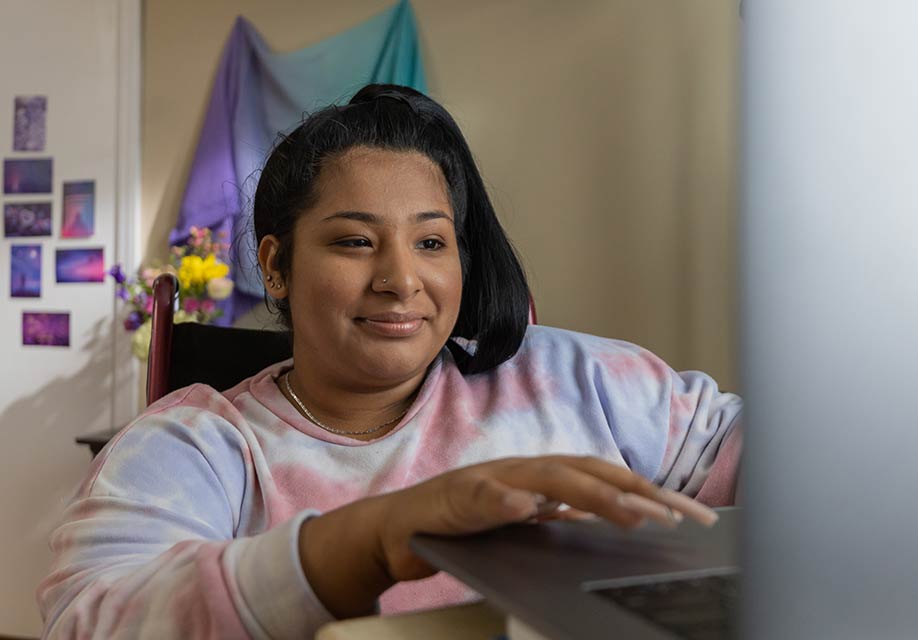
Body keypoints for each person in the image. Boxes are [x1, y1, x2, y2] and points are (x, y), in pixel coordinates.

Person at [37, 84, 742, 639]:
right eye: (353, 242)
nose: (402, 279)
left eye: (431, 243)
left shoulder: (580, 380)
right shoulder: (198, 445)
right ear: (277, 266)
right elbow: (91, 618)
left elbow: (789, 469)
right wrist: (375, 536)